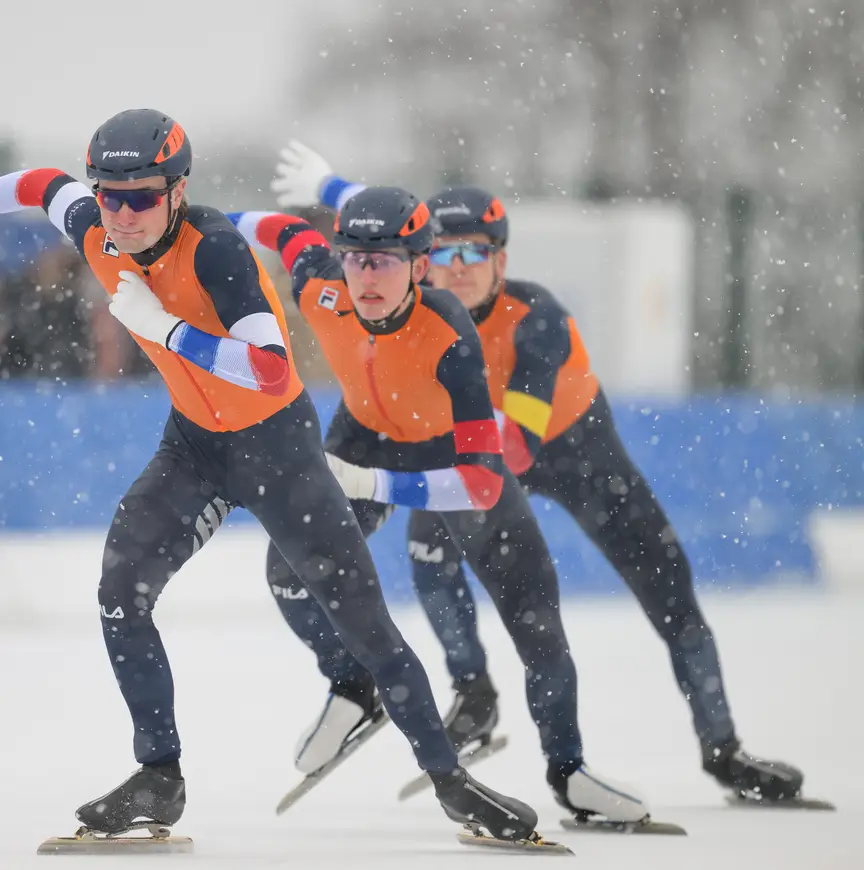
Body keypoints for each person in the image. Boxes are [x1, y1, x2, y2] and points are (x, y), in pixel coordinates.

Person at [0, 110, 542, 845]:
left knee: (366, 625)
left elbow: (269, 368)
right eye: (111, 195)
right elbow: (37, 184)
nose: (124, 213)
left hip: (277, 447)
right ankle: (159, 777)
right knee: (120, 591)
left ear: (179, 190)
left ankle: (452, 784)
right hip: (194, 446)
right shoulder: (92, 222)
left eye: (143, 196)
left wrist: (164, 329)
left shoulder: (217, 252)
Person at [267, 141, 806, 804]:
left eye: (474, 255)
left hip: (576, 454)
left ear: (501, 261)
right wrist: (330, 186)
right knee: (428, 554)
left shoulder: (536, 320)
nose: (455, 269)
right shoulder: (413, 301)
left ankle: (723, 751)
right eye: (442, 254)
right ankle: (475, 696)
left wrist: (420, 461)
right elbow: (376, 224)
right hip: (467, 443)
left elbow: (516, 449)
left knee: (671, 597)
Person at [228, 185, 655, 829]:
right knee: (288, 572)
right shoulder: (320, 283)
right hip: (364, 433)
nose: (367, 278)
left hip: (442, 452)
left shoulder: (450, 331)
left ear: (420, 267)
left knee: (534, 616)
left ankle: (567, 770)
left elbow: (484, 482)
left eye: (388, 261)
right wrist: (202, 224)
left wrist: (377, 487)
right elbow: (284, 229)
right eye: (356, 259)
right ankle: (352, 685)